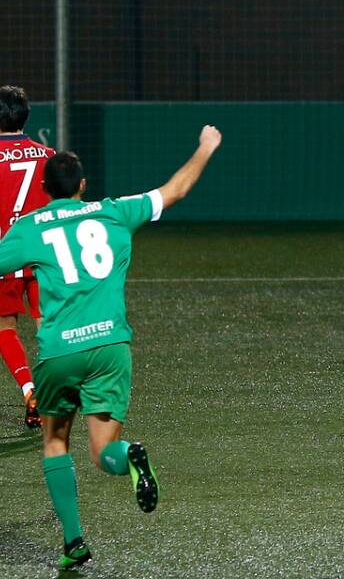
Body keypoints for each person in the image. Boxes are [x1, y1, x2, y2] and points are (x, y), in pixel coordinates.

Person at [0, 126, 223, 569]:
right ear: (83, 185)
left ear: (45, 190)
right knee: (103, 452)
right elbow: (174, 191)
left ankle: (74, 541)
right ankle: (130, 457)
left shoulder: (29, 228)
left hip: (59, 352)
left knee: (55, 442)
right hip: (110, 349)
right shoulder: (115, 212)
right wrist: (205, 147)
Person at [0, 85, 53, 428]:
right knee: (47, 325)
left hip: (3, 256)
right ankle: (52, 394)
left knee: (5, 327)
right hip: (42, 256)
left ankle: (29, 388)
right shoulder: (48, 155)